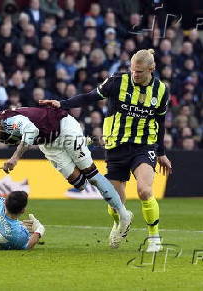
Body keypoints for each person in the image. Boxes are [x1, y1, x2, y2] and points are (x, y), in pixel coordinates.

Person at [0, 106, 133, 248]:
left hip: (62, 127)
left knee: (92, 175)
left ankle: (124, 215)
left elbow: (30, 132)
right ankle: (84, 143)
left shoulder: (12, 121)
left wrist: (15, 158)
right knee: (79, 183)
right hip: (49, 142)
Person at [39, 49, 172, 252]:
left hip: (143, 147)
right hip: (116, 147)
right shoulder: (117, 81)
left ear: (151, 69)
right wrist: (62, 104)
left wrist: (161, 152)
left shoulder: (161, 90)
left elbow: (160, 122)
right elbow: (90, 96)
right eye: (133, 70)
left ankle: (154, 237)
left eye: (139, 71)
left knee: (144, 190)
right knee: (115, 202)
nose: (134, 74)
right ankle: (119, 222)